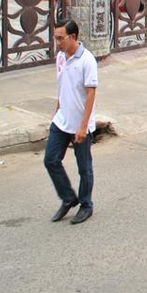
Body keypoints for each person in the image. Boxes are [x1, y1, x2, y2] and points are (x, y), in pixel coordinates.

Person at [45, 19, 98, 225]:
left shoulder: (87, 60)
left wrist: (84, 126)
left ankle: (86, 205)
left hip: (80, 124)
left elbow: (91, 93)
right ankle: (68, 198)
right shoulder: (60, 57)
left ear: (73, 37)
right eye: (56, 38)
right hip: (61, 121)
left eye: (61, 38)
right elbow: (62, 87)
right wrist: (57, 112)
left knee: (84, 168)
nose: (58, 42)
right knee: (50, 160)